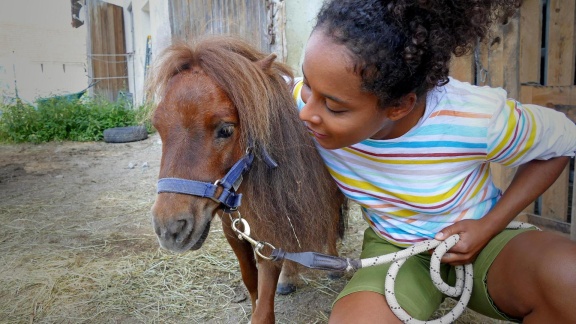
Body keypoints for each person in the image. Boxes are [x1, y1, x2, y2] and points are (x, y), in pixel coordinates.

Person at [291, 0, 576, 322]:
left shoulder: (473, 117)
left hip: (486, 242)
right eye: (308, 87)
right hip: (394, 248)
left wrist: (488, 226)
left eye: (334, 107)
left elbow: (562, 141)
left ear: (398, 107)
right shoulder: (310, 107)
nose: (306, 113)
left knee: (569, 279)